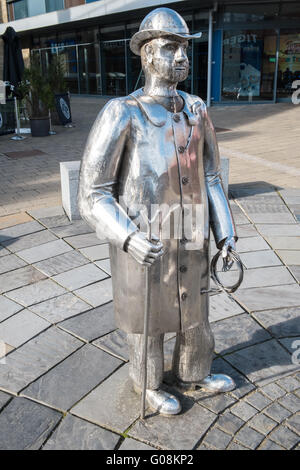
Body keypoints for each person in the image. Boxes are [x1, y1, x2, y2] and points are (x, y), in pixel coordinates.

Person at [78, 7, 238, 416]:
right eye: (170, 48)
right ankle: (147, 385)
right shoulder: (123, 112)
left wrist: (226, 235)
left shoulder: (198, 109)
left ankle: (193, 372)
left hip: (192, 235)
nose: (181, 56)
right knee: (147, 322)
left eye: (184, 47)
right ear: (148, 55)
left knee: (195, 316)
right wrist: (128, 237)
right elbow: (93, 193)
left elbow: (213, 176)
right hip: (143, 238)